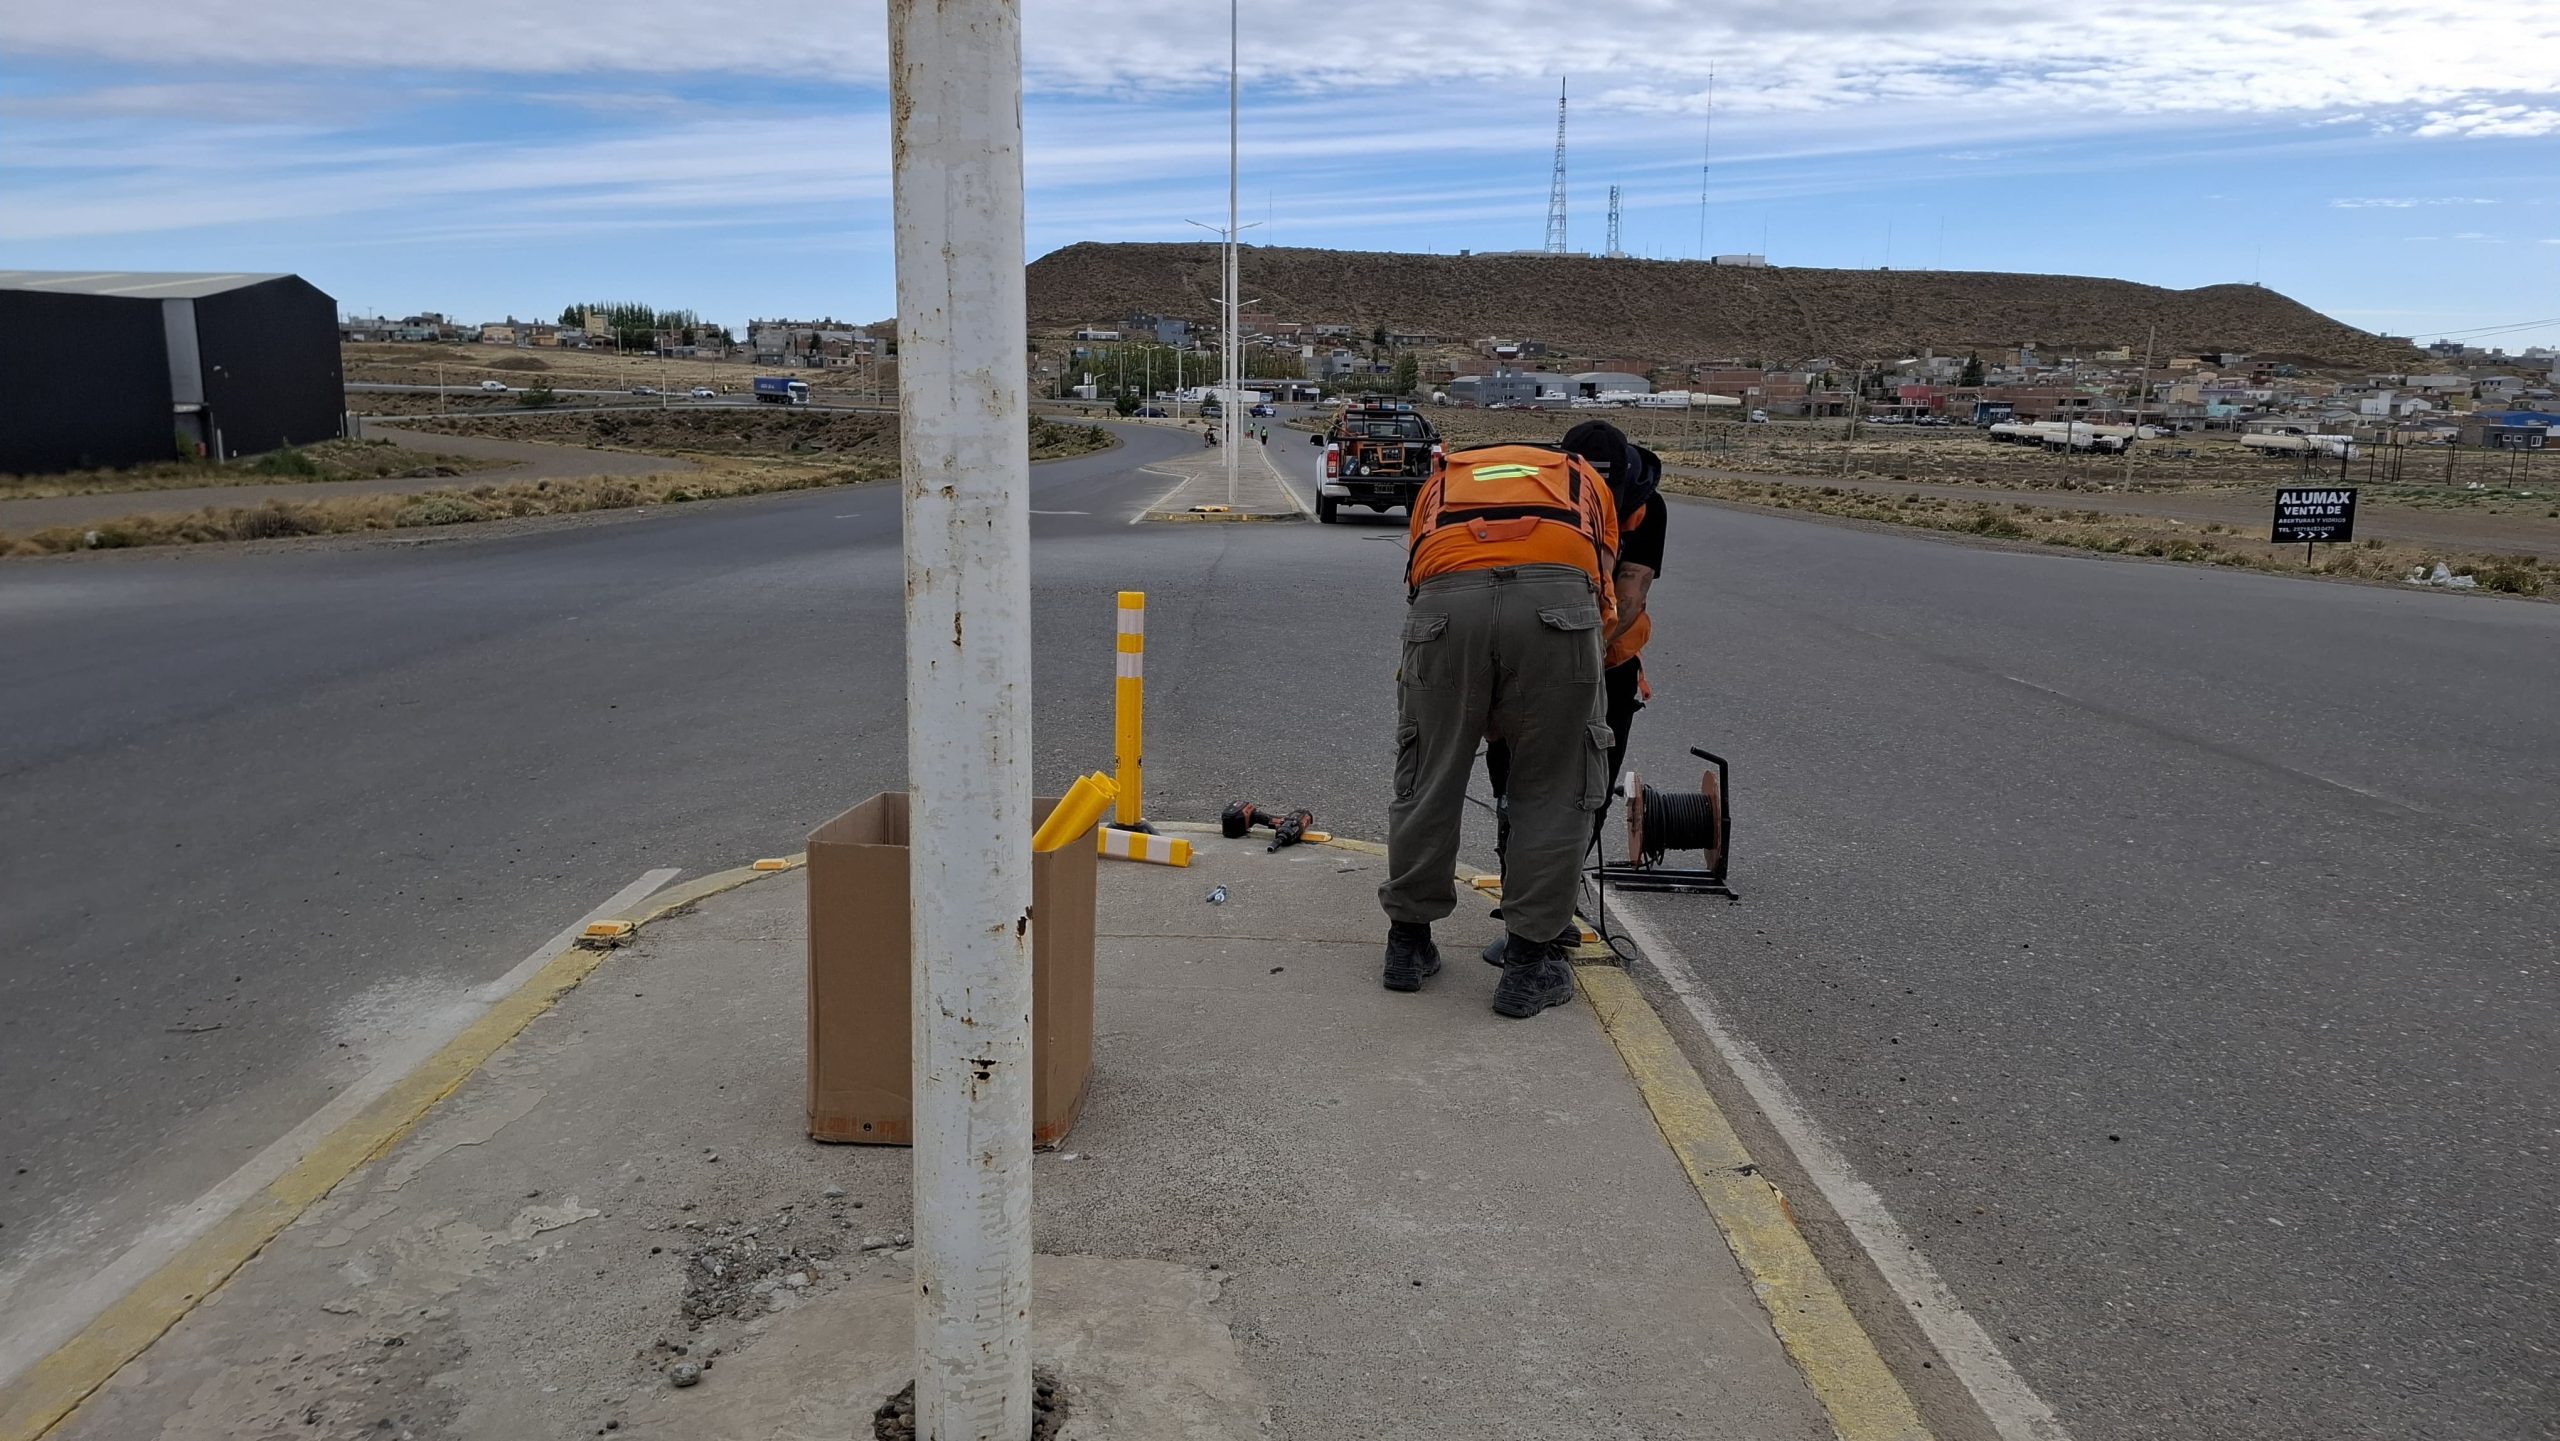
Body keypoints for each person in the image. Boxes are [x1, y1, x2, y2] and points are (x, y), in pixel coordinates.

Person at [1378, 441, 1621, 1019]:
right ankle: (1528, 966)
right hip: (1556, 601)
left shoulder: (1440, 481)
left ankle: (1407, 947)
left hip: (1447, 605)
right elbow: (1603, 590)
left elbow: (1419, 579)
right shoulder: (1584, 479)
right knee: (1556, 788)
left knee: (1428, 776)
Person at [1479, 420, 1663, 964]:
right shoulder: (1538, 493)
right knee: (1513, 782)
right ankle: (1523, 908)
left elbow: (1628, 596)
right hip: (1525, 657)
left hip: (1606, 660)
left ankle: (1550, 911)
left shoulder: (1648, 506)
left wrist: (1574, 661)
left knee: (1590, 790)